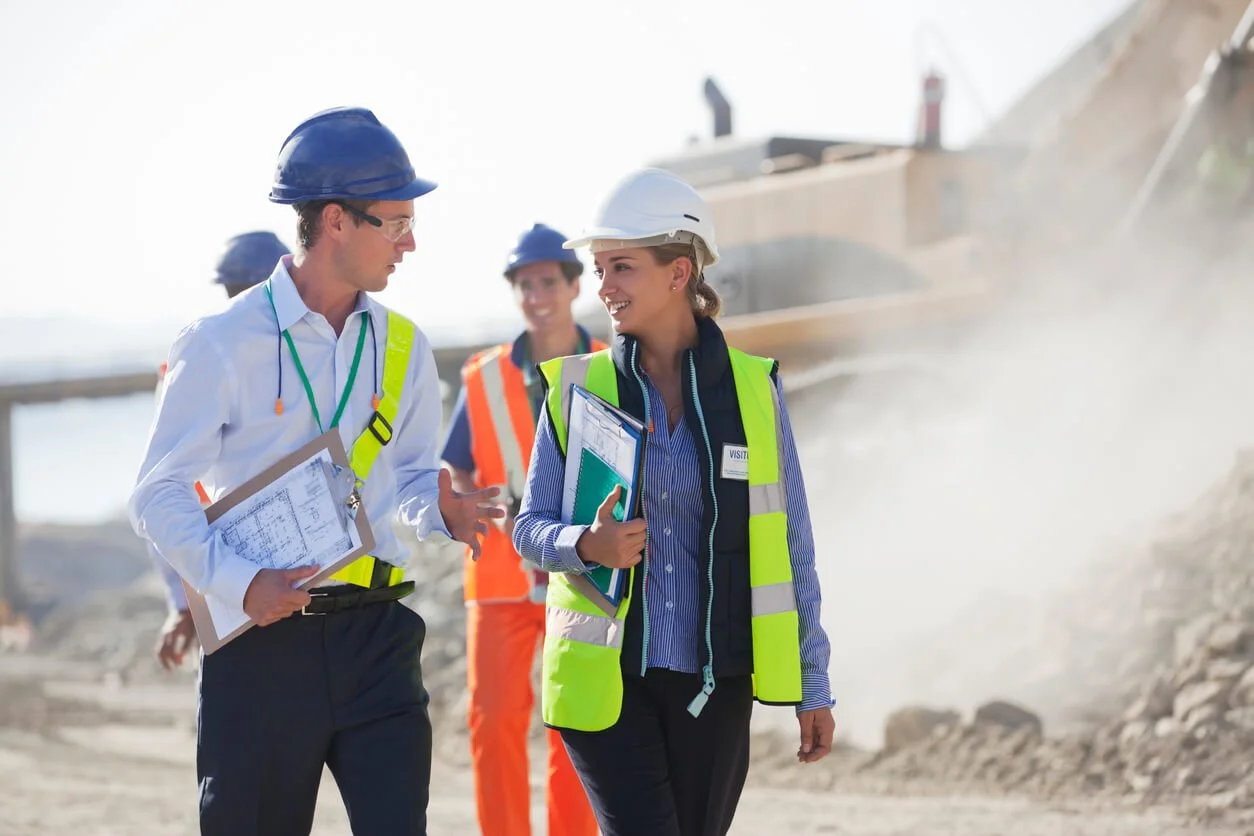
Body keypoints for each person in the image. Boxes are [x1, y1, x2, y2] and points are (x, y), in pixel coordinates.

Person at [128, 106, 502, 836]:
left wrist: (442, 510)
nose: (411, 243)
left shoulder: (405, 345)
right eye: (396, 223)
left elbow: (416, 478)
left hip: (378, 638)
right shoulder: (218, 343)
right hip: (261, 648)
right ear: (336, 221)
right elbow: (158, 495)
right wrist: (240, 585)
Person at [512, 168, 836, 836]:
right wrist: (584, 546)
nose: (603, 288)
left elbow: (792, 545)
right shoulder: (580, 389)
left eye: (621, 267)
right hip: (606, 684)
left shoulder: (752, 392)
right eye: (599, 269)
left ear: (679, 272)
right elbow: (529, 526)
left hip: (713, 684)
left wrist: (813, 681)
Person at [441, 223, 602, 836]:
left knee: (576, 724)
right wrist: (468, 504)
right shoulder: (481, 378)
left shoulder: (611, 365)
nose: (536, 295)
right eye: (525, 285)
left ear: (573, 286)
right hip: (503, 574)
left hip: (586, 569)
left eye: (547, 283)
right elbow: (455, 463)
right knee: (494, 720)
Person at [151, 231, 291, 671]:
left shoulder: (308, 364)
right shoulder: (196, 367)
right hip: (227, 582)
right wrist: (183, 599)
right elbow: (165, 495)